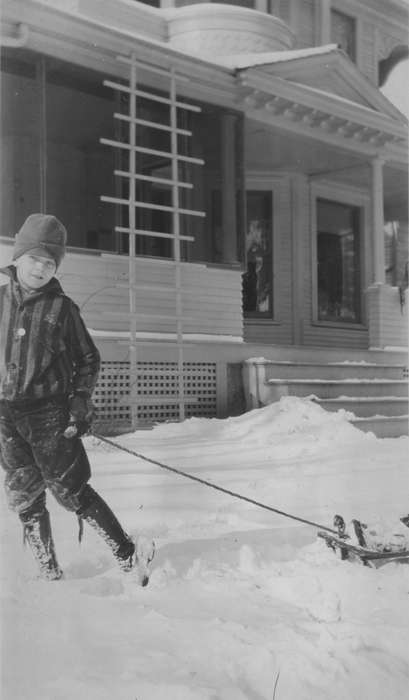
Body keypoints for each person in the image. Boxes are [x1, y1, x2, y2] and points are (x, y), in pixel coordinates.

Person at [0, 213, 154, 583]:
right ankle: (47, 567)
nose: (40, 268)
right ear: (17, 257)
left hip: (49, 413)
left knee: (69, 488)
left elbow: (88, 358)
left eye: (49, 262)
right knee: (24, 491)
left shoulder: (63, 310)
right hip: (5, 413)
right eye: (34, 258)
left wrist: (80, 400)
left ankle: (128, 553)